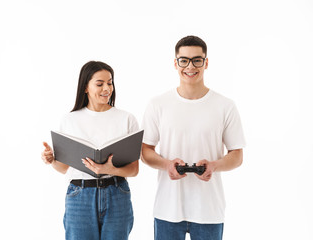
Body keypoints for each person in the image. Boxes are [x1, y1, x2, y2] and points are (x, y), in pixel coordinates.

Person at [141, 35, 246, 240]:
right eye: (184, 60)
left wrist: (214, 165)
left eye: (197, 60)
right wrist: (167, 165)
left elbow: (237, 155)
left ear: (206, 63)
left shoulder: (225, 106)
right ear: (175, 63)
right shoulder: (158, 104)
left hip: (209, 209)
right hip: (167, 209)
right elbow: (145, 151)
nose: (190, 66)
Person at [41, 61, 139, 240]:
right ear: (85, 87)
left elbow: (134, 169)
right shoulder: (70, 120)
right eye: (100, 84)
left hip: (116, 193)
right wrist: (51, 160)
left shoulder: (127, 119)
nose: (107, 89)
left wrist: (111, 170)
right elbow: (65, 168)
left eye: (110, 83)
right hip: (80, 196)